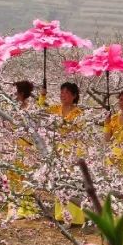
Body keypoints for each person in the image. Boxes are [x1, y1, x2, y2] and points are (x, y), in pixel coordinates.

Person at [48, 81, 86, 226]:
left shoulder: (79, 113)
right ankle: (62, 215)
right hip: (58, 150)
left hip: (73, 150)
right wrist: (42, 97)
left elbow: (82, 134)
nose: (63, 95)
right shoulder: (54, 109)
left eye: (67, 93)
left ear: (74, 96)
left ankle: (74, 217)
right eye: (62, 92)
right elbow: (40, 111)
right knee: (60, 181)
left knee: (72, 182)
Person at [6, 80, 40, 220]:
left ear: (21, 93)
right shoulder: (12, 108)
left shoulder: (31, 108)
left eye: (16, 92)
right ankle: (14, 207)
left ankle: (26, 208)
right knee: (13, 176)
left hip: (27, 146)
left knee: (26, 177)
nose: (14, 95)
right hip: (13, 145)